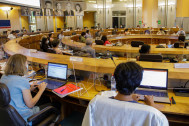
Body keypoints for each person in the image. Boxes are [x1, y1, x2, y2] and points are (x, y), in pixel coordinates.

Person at [0, 54, 47, 122]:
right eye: (26, 63)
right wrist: (41, 90)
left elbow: (13, 92)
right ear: (22, 66)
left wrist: (29, 89)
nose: (27, 66)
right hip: (24, 117)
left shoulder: (3, 77)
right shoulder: (22, 81)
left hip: (9, 116)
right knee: (54, 105)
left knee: (41, 100)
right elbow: (30, 104)